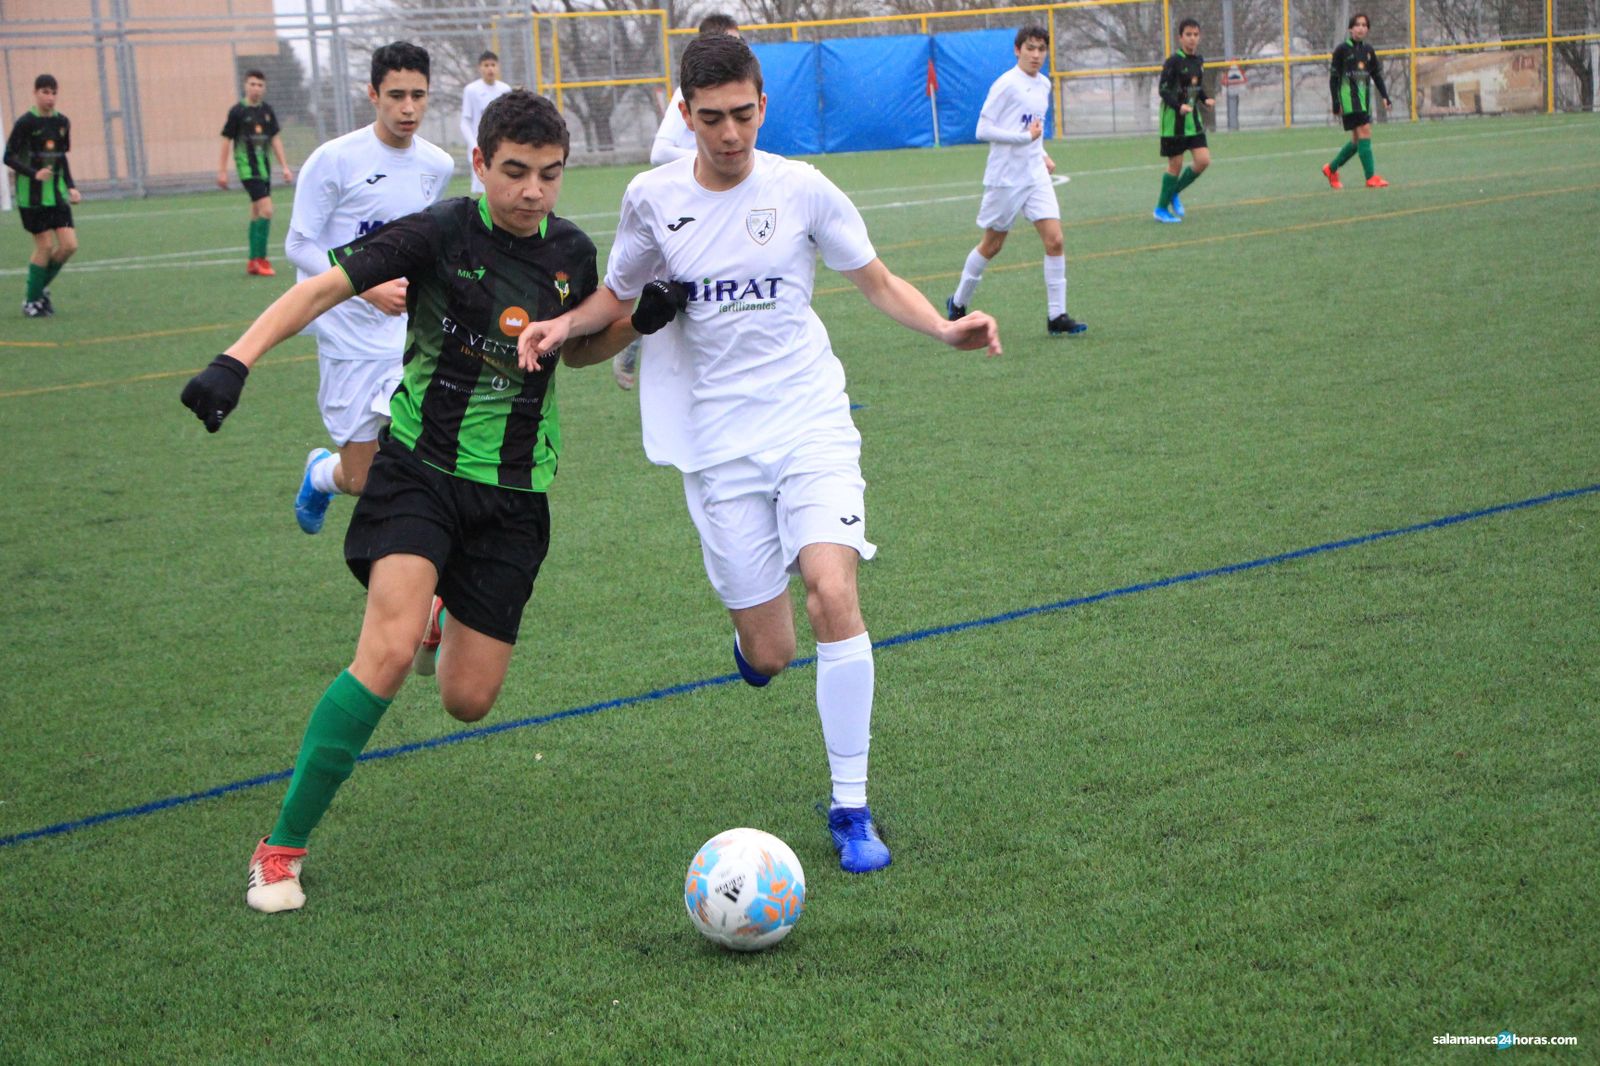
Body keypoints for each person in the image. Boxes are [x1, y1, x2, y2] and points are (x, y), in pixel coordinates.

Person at [515, 35, 1002, 875]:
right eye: (711, 119)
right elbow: (618, 293)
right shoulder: (652, 197)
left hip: (810, 421)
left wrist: (944, 326)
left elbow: (877, 279)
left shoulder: (802, 189)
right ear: (684, 113)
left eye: (743, 114)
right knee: (773, 653)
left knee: (832, 590)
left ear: (762, 105)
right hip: (716, 445)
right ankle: (753, 647)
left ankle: (851, 806)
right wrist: (567, 324)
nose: (730, 134)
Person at [180, 90, 637, 913]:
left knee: (467, 700)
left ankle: (440, 615)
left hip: (515, 493)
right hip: (418, 468)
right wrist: (235, 359)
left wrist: (634, 326)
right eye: (515, 173)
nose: (533, 192)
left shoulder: (571, 251)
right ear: (479, 164)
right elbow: (323, 288)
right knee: (385, 656)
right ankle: (280, 848)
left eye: (549, 175)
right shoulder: (440, 230)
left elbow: (578, 350)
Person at [286, 41, 455, 537]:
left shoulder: (437, 165)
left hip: (406, 335)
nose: (408, 108)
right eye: (396, 95)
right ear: (372, 94)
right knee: (360, 478)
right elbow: (299, 244)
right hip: (346, 336)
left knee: (424, 454)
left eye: (418, 95)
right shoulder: (334, 159)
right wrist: (364, 288)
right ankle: (321, 473)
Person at [613, 11, 741, 391]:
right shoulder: (685, 97)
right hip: (688, 205)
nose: (741, 47)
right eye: (733, 41)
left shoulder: (736, 89)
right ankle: (632, 344)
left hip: (720, 200)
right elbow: (659, 151)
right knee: (674, 284)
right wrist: (706, 163)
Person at [945, 25, 1085, 338]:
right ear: (1017, 50)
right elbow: (983, 130)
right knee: (992, 245)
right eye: (1030, 48)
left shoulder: (1045, 85)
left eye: (1041, 49)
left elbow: (1034, 130)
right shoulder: (1006, 84)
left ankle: (1057, 315)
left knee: (1055, 240)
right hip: (1006, 178)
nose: (1036, 55)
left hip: (1034, 175)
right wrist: (1024, 139)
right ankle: (957, 302)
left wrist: (1041, 151)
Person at [5, 74, 80, 318]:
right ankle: (31, 301)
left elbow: (61, 157)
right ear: (36, 93)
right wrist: (33, 173)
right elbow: (8, 157)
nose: (50, 97)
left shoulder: (62, 122)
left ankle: (38, 291)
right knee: (45, 246)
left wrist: (70, 186)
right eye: (45, 92)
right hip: (32, 198)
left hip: (56, 196)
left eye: (53, 92)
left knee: (69, 245)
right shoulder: (26, 123)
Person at [219, 69, 295, 275]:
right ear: (245, 86)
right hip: (247, 169)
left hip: (264, 169)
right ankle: (261, 259)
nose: (256, 88)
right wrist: (223, 171)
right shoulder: (237, 112)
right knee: (267, 210)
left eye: (260, 85)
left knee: (256, 212)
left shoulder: (267, 111)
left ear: (264, 88)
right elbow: (226, 140)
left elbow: (275, 139)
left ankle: (253, 260)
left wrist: (284, 166)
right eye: (252, 84)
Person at [1153, 19, 1214, 224]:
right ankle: (1160, 209)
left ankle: (1172, 193)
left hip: (1192, 121)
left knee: (1203, 160)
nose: (1192, 38)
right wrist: (1179, 107)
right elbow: (1163, 90)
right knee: (1175, 165)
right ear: (1180, 37)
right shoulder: (1173, 62)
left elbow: (1196, 88)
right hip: (1173, 121)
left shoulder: (1198, 61)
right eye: (1188, 34)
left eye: (1196, 34)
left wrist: (1205, 99)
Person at [1321, 13, 1391, 190]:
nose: (1361, 28)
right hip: (1349, 100)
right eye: (1357, 25)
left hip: (1363, 100)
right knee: (1365, 132)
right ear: (1350, 28)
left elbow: (1376, 74)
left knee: (1356, 140)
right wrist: (1336, 102)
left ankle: (1331, 169)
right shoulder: (1341, 50)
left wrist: (1385, 96)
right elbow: (1334, 78)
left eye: (1364, 25)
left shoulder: (1368, 50)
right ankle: (1371, 177)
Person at [460, 50, 512, 195]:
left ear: (498, 67)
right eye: (486, 65)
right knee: (482, 190)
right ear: (480, 68)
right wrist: (474, 144)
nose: (490, 68)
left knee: (503, 187)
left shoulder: (505, 89)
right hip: (481, 149)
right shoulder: (471, 90)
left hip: (500, 148)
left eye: (493, 65)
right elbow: (465, 121)